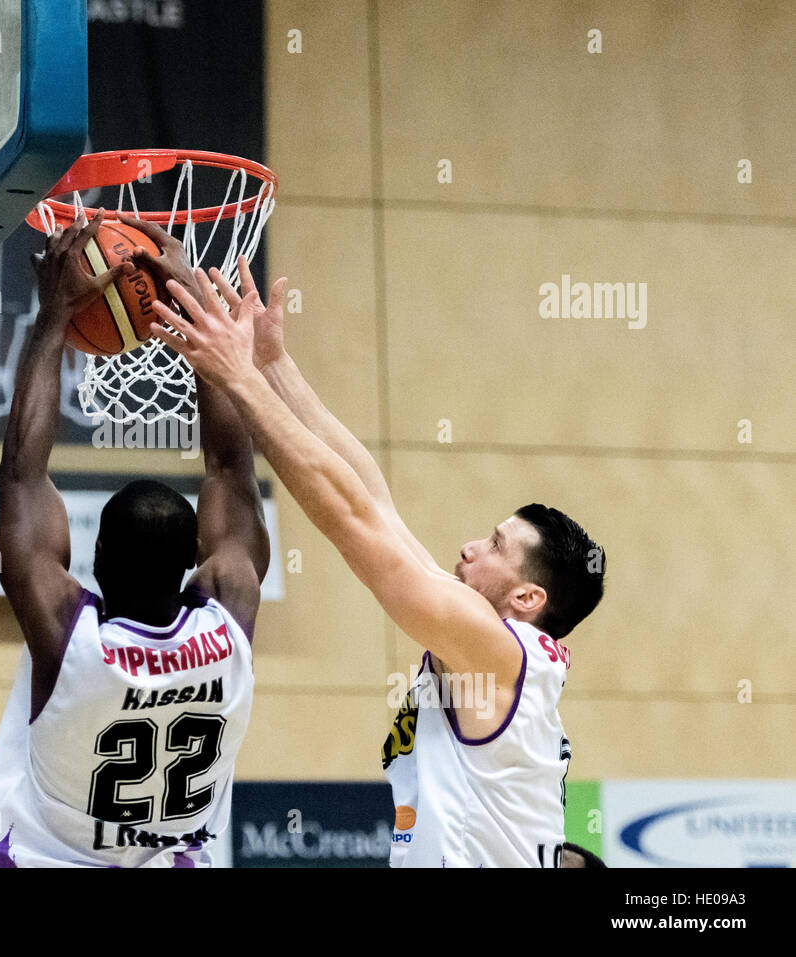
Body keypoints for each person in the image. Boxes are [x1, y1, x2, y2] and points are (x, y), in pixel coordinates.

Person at [149, 259, 605, 868]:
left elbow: (353, 521)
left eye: (496, 546)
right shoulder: (492, 651)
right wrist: (270, 364)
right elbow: (373, 502)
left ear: (527, 599)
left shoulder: (498, 655)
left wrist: (240, 381)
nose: (471, 546)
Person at [0, 212, 270, 867]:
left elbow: (22, 475)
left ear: (95, 561)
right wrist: (196, 307)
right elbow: (231, 468)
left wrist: (52, 318)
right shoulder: (229, 618)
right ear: (194, 559)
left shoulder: (70, 640)